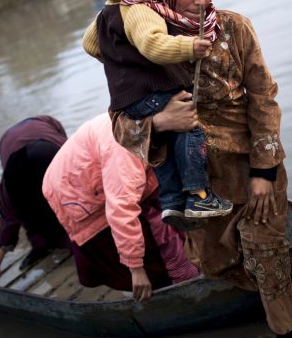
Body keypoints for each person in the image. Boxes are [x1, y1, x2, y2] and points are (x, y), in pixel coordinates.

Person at [110, 0, 292, 338]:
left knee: (268, 255)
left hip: (251, 173)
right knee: (217, 263)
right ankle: (260, 302)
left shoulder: (234, 28)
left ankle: (288, 335)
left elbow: (264, 98)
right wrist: (162, 120)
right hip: (198, 189)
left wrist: (264, 171)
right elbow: (119, 124)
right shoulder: (143, 42)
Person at [82, 0, 232, 229]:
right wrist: (161, 120)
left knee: (168, 142)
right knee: (188, 127)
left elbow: (91, 45)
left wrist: (122, 63)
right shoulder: (141, 12)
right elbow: (153, 46)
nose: (202, 0)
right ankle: (198, 193)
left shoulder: (231, 27)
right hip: (155, 98)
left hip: (236, 174)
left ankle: (172, 202)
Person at [41, 113, 200, 301]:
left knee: (171, 226)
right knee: (153, 260)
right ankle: (176, 295)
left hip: (106, 175)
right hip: (76, 193)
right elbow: (121, 207)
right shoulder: (124, 144)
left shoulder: (153, 120)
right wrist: (136, 268)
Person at [0, 116, 71, 292]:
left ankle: (69, 239)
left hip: (46, 126)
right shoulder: (12, 183)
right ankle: (40, 246)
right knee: (27, 209)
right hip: (8, 142)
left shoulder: (65, 157)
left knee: (69, 197)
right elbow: (8, 221)